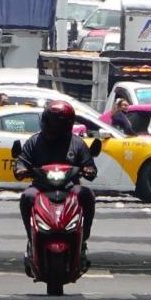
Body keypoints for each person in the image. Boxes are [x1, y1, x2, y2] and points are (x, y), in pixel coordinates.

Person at [13, 101, 97, 249]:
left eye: (54, 122)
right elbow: (23, 161)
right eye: (48, 121)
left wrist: (89, 169)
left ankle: (84, 236)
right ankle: (31, 238)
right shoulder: (34, 141)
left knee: (87, 195)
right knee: (27, 197)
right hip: (41, 187)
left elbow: (88, 164)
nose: (50, 125)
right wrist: (20, 168)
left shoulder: (77, 143)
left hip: (69, 188)